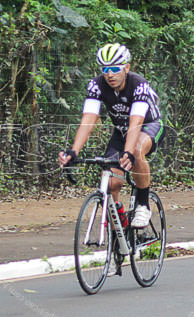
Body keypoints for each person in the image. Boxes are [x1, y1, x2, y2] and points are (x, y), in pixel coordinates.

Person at [58, 43, 164, 228]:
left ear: (126, 68)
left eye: (115, 68)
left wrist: (129, 153)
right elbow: (88, 120)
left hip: (148, 126)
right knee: (111, 183)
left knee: (137, 150)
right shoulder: (97, 85)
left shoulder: (138, 84)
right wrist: (73, 152)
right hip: (122, 131)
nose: (110, 74)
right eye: (105, 69)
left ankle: (142, 204)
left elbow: (136, 122)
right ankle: (119, 229)